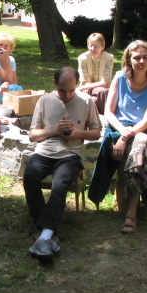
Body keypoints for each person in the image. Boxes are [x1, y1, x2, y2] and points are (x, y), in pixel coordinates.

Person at [88, 41, 147, 234]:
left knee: (141, 144)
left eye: (145, 57)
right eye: (137, 57)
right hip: (117, 130)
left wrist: (127, 136)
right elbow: (109, 113)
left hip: (141, 129)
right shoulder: (119, 78)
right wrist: (123, 134)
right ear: (129, 59)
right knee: (141, 146)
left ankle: (131, 213)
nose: (141, 61)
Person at [23, 67, 101, 262]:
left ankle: (44, 236)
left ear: (77, 85)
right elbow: (33, 136)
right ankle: (47, 232)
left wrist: (78, 133)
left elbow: (96, 132)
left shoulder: (86, 101)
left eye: (71, 90)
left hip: (70, 155)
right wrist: (56, 130)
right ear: (54, 83)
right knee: (29, 176)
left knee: (60, 185)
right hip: (44, 152)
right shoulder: (44, 101)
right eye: (62, 90)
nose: (67, 95)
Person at [77, 32, 115, 115]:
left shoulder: (109, 58)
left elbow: (105, 82)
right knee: (94, 96)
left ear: (102, 46)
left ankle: (101, 118)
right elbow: (86, 82)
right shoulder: (82, 58)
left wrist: (84, 87)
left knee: (101, 93)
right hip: (87, 88)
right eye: (90, 46)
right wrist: (85, 87)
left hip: (102, 88)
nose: (93, 49)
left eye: (96, 46)